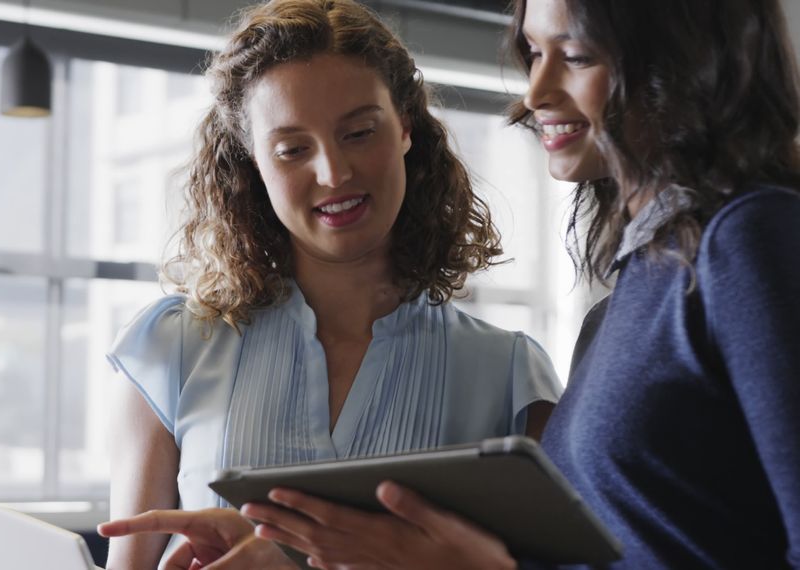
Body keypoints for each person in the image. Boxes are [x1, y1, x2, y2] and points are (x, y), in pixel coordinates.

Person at [161, 0, 800, 568]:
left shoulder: (749, 240)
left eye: (574, 55)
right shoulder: (623, 303)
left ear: (684, 61)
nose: (536, 91)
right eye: (533, 53)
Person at [95, 0, 563, 568]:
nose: (334, 174)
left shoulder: (510, 377)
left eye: (360, 132)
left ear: (406, 130)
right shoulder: (171, 349)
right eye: (293, 149)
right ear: (253, 164)